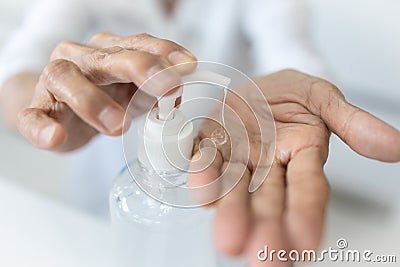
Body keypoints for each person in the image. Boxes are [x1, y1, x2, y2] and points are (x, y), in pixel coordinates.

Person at [0, 1, 399, 266]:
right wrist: (46, 106)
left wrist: (302, 87)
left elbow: (291, 48)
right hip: (94, 211)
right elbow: (17, 71)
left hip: (221, 189)